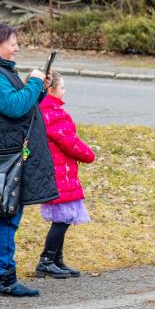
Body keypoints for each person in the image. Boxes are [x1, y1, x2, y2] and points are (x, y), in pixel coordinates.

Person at [0, 23, 55, 297]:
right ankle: (5, 277)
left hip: (4, 153)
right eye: (12, 43)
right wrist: (34, 81)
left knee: (4, 213)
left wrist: (38, 90)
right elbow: (15, 108)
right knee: (8, 215)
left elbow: (17, 106)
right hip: (5, 157)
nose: (16, 48)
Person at [36, 72, 96, 279]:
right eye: (62, 87)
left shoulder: (49, 109)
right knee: (63, 218)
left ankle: (56, 259)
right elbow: (69, 141)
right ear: (51, 90)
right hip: (59, 171)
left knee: (63, 217)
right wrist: (89, 155)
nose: (65, 91)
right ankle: (46, 260)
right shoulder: (52, 113)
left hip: (62, 170)